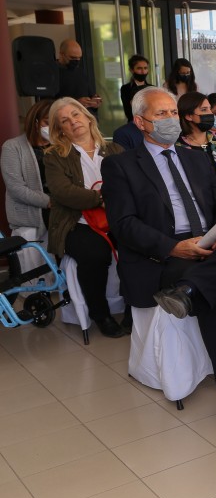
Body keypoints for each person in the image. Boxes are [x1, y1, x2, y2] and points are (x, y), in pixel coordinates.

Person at [101, 87, 216, 415]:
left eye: (172, 112)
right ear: (141, 122)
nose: (171, 119)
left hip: (209, 245)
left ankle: (190, 290)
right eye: (161, 114)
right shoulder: (121, 166)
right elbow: (124, 224)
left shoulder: (195, 157)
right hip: (161, 256)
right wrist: (174, 247)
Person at [45, 98, 124, 337]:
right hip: (75, 223)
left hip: (117, 218)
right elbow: (63, 192)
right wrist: (102, 197)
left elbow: (131, 184)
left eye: (76, 115)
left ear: (88, 117)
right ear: (59, 130)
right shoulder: (54, 156)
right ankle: (101, 314)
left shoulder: (114, 150)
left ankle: (134, 309)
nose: (73, 122)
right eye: (65, 121)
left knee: (140, 243)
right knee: (95, 253)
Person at [1, 99, 53, 259]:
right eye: (46, 122)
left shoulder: (61, 147)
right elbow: (16, 188)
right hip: (29, 220)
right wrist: (49, 201)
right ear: (35, 121)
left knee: (59, 273)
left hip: (58, 218)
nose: (51, 126)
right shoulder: (13, 146)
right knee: (32, 275)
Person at [175, 92, 216, 192]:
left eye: (209, 109)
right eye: (204, 110)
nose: (209, 113)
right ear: (189, 116)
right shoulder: (178, 147)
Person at [55, 39, 101, 116]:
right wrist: (76, 103)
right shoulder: (51, 73)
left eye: (79, 58)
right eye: (73, 58)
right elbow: (48, 104)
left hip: (87, 119)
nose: (76, 61)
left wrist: (94, 102)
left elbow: (90, 94)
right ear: (61, 54)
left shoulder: (80, 71)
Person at [120, 55, 151, 123]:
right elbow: (128, 112)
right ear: (131, 70)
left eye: (145, 68)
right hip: (134, 123)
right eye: (139, 68)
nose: (143, 72)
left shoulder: (152, 88)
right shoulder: (126, 88)